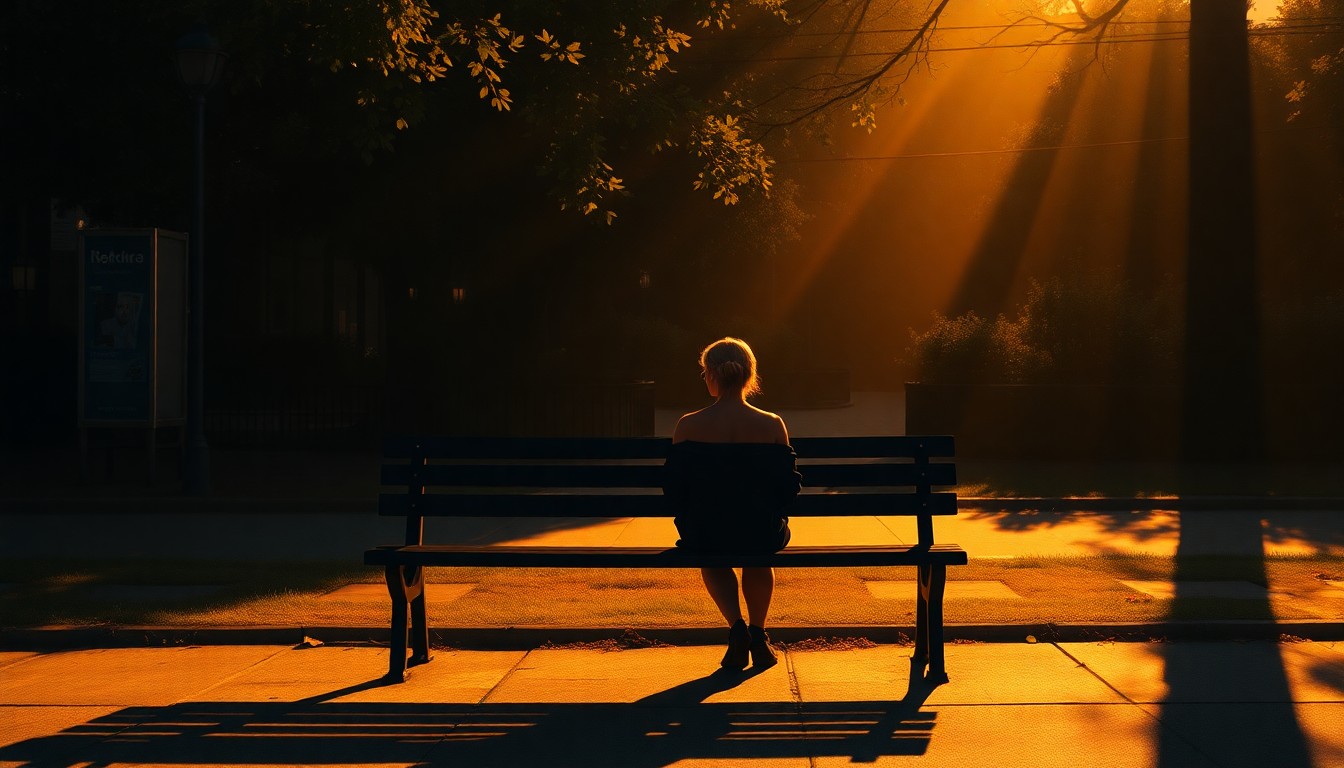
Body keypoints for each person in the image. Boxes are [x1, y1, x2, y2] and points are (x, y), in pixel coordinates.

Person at [663, 337, 801, 671]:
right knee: (759, 547)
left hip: (706, 533)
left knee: (710, 550)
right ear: (750, 376)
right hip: (760, 532)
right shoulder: (771, 424)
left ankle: (737, 630)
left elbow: (674, 488)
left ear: (711, 376)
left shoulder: (688, 424)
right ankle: (758, 633)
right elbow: (787, 488)